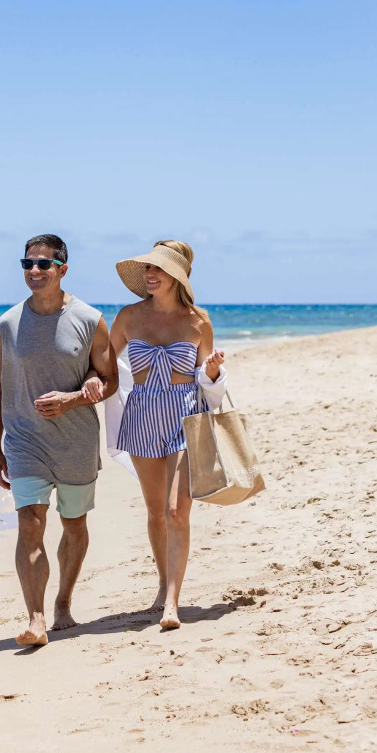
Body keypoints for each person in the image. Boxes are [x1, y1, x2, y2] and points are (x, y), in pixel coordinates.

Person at [0, 234, 116, 647]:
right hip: (25, 441)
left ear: (62, 269)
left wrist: (76, 397)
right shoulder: (8, 323)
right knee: (30, 524)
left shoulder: (89, 319)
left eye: (43, 264)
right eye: (27, 264)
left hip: (75, 438)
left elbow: (108, 377)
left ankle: (63, 604)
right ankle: (36, 618)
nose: (34, 271)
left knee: (74, 524)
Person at [105, 240, 225, 630]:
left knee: (178, 511)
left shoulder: (197, 322)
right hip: (141, 416)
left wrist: (212, 371)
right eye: (147, 270)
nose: (150, 275)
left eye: (157, 270)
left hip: (185, 415)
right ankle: (162, 583)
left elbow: (209, 382)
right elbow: (102, 365)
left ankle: (172, 602)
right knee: (156, 512)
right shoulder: (128, 317)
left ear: (177, 276)